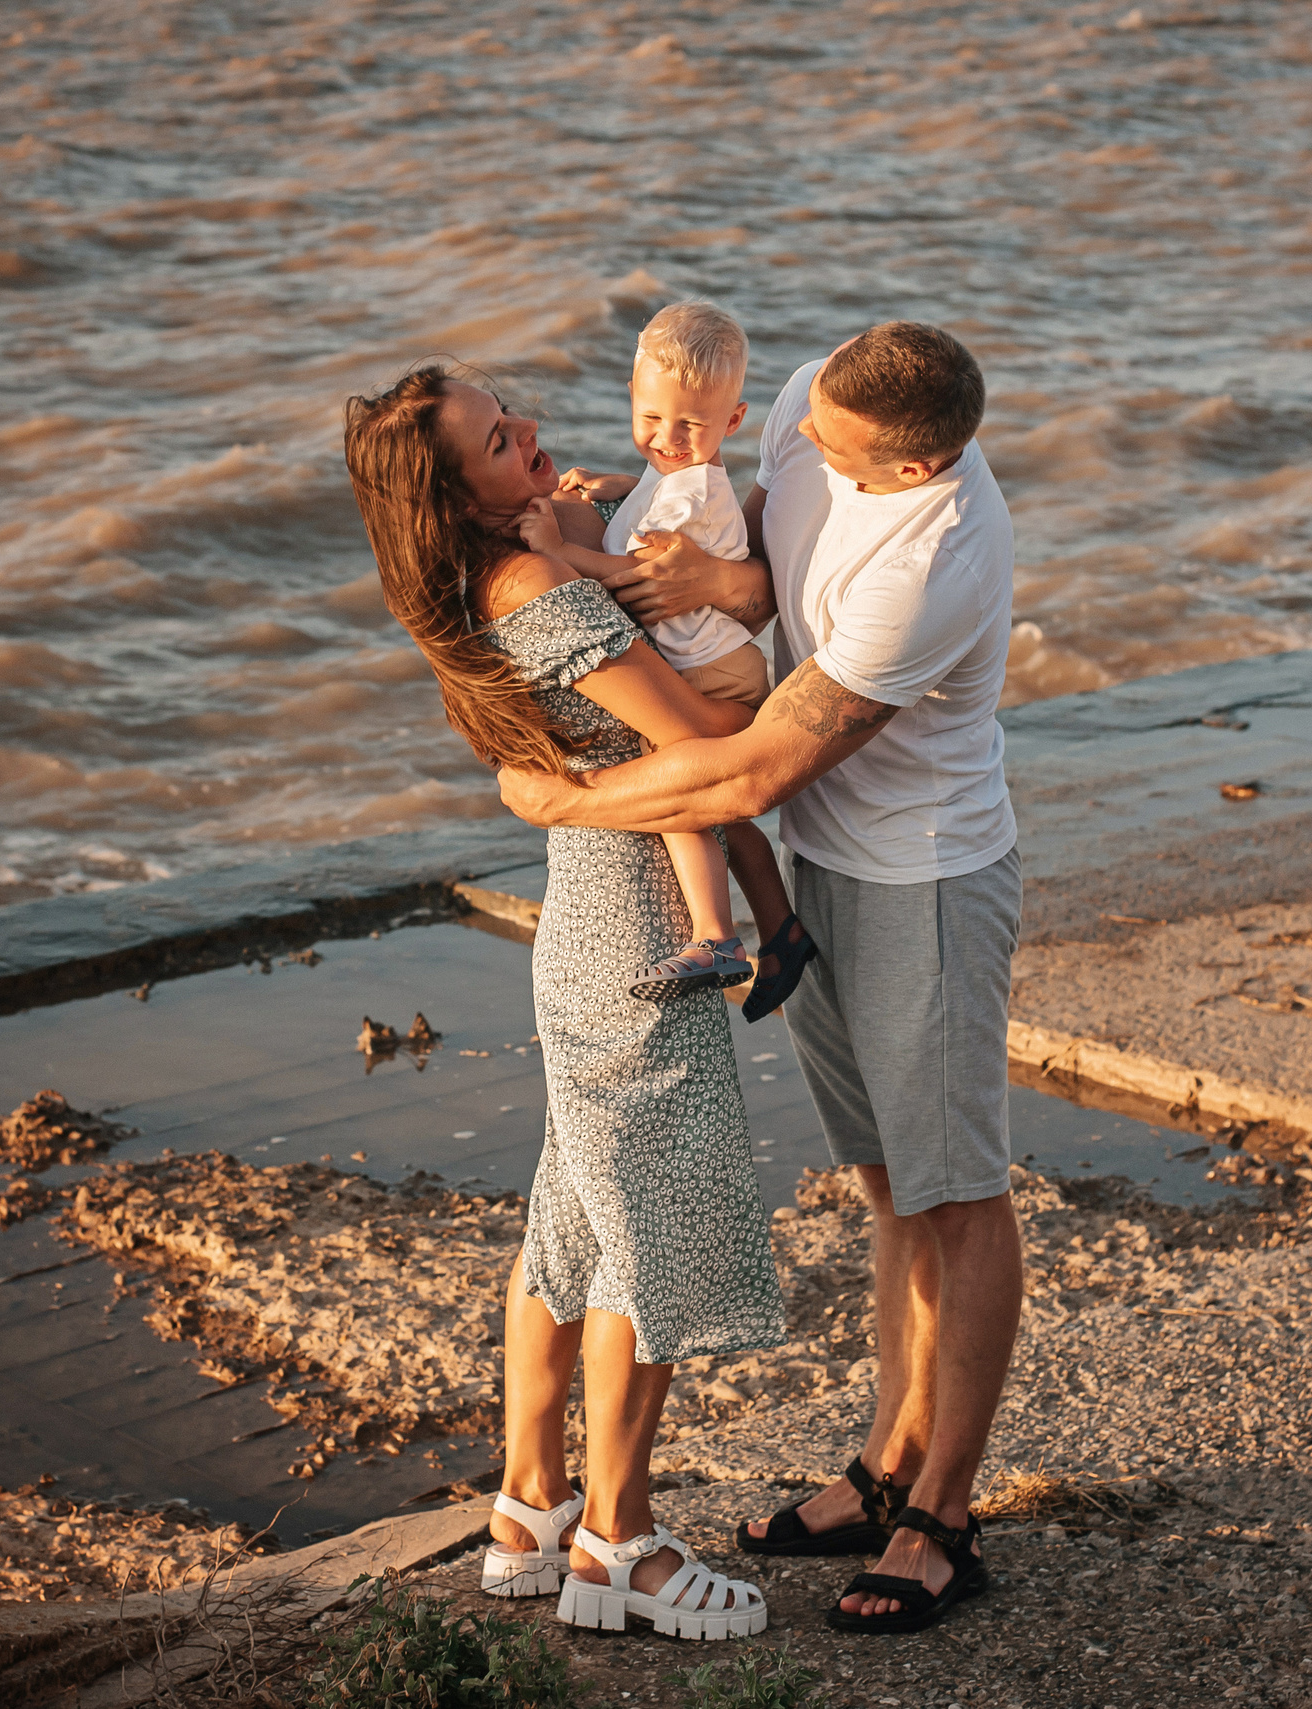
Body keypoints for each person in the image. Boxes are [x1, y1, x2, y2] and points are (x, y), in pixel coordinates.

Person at [497, 321, 1023, 1635]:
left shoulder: (936, 561)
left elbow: (753, 766)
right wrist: (720, 581)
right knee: (889, 1182)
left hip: (923, 879)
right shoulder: (809, 396)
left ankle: (943, 1514)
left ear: (913, 466)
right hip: (826, 858)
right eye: (807, 430)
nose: (807, 452)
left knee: (957, 1192)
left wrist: (559, 798)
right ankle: (886, 1464)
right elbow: (761, 575)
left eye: (837, 455)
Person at [343, 365, 781, 1641]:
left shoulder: (493, 579)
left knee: (574, 1226)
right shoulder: (533, 585)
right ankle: (618, 1546)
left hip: (591, 913)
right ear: (455, 493)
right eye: (498, 438)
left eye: (513, 411)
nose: (528, 432)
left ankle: (529, 1511)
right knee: (648, 1224)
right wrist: (765, 640)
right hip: (637, 928)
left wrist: (606, 536)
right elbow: (702, 730)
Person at [515, 302, 807, 1014]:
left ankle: (716, 937)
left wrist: (559, 550)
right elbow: (661, 489)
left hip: (713, 672)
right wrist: (618, 485)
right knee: (727, 817)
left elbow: (635, 577)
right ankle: (783, 930)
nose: (668, 440)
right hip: (723, 662)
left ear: (733, 421)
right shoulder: (676, 475)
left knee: (678, 796)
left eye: (690, 426)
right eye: (651, 417)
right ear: (631, 396)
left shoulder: (691, 492)